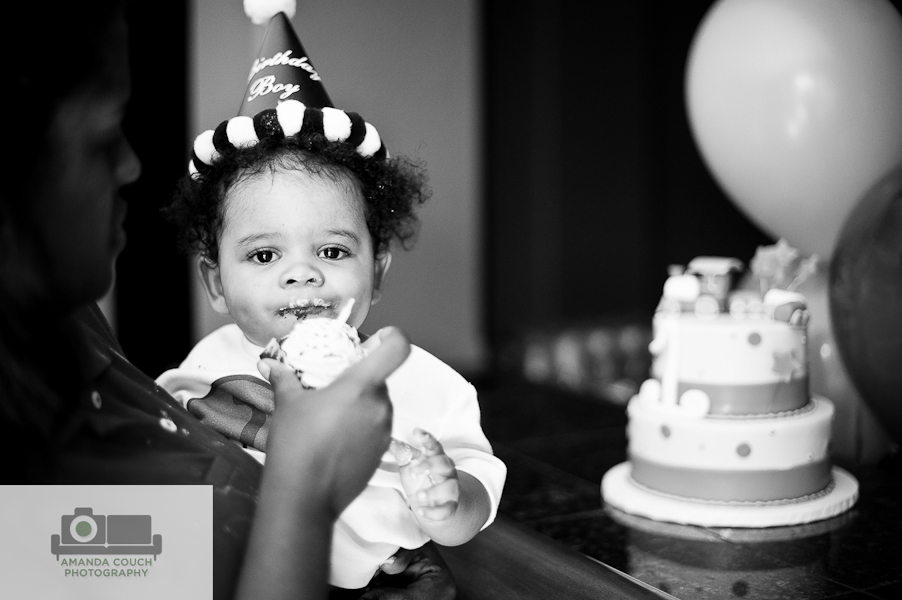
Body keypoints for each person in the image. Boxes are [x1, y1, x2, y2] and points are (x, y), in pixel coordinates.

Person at [0, 2, 454, 599]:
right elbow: (86, 562)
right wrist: (307, 491)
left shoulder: (63, 325)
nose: (131, 165)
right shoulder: (27, 503)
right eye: (103, 137)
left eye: (332, 250)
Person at [155, 5, 505, 597]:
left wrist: (448, 504)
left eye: (333, 251)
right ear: (215, 284)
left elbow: (477, 489)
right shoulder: (203, 370)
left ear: (377, 272)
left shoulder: (421, 385)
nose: (303, 274)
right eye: (265, 255)